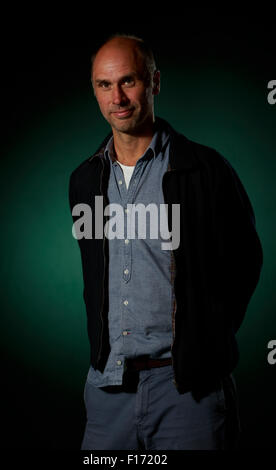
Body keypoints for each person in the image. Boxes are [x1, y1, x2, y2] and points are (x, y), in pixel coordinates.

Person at [68, 34, 263, 450]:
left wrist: (207, 341)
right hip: (107, 391)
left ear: (154, 82)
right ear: (95, 91)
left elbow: (246, 261)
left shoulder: (204, 170)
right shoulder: (85, 179)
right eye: (105, 85)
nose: (117, 97)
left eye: (128, 81)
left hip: (187, 391)